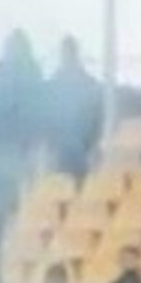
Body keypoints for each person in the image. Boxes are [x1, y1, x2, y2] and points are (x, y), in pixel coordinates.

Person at [43, 36, 103, 179]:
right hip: (76, 150)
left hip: (68, 150)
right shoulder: (89, 83)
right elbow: (97, 120)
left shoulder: (54, 85)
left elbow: (47, 119)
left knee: (61, 184)